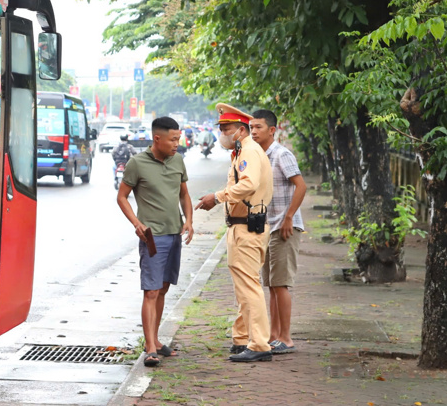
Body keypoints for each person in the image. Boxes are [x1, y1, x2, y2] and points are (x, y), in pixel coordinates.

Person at [196, 103, 274, 362]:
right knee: (244, 287)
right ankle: (242, 338)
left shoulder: (249, 152)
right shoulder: (245, 151)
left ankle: (260, 344)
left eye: (226, 128)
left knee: (250, 287)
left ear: (241, 130)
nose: (222, 133)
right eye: (220, 128)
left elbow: (248, 184)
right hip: (242, 225)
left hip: (247, 227)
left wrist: (217, 197)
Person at [116, 116, 194, 368]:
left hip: (174, 234)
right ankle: (149, 347)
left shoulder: (178, 160)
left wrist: (189, 221)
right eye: (173, 139)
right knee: (150, 290)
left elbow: (184, 194)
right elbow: (122, 197)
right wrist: (137, 224)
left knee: (162, 289)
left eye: (178, 139)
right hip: (153, 237)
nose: (177, 143)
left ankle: (157, 340)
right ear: (157, 138)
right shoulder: (136, 163)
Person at [248, 109, 307, 354]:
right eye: (251, 127)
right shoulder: (257, 156)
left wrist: (289, 218)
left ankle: (286, 338)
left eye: (258, 127)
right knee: (270, 284)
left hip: (285, 227)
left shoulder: (281, 154)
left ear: (272, 130)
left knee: (281, 284)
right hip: (267, 227)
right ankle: (273, 336)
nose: (254, 132)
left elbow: (301, 186)